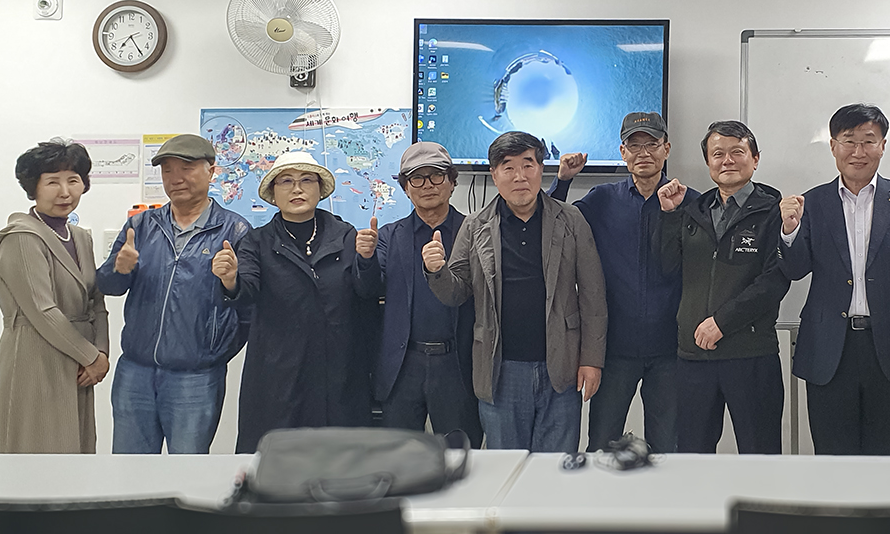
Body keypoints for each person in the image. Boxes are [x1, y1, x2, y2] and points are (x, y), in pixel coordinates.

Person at [424, 131, 606, 452]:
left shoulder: (571, 219)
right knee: (506, 467)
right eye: (508, 167)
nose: (519, 176)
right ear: (494, 175)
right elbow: (456, 292)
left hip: (560, 366)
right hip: (500, 370)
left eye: (528, 165)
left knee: (556, 468)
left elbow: (593, 295)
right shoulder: (475, 225)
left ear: (541, 169)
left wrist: (592, 360)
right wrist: (436, 271)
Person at [777, 104, 890, 456]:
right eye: (849, 141)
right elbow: (795, 269)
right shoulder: (813, 202)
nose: (858, 151)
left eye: (868, 141)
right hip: (829, 351)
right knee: (834, 461)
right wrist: (789, 232)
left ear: (883, 145)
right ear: (833, 146)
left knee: (888, 459)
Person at [547, 112, 695, 453]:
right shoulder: (601, 199)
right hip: (614, 349)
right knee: (602, 445)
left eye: (652, 144)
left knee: (667, 449)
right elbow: (553, 224)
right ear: (622, 152)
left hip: (670, 350)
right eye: (634, 145)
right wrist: (564, 180)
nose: (643, 153)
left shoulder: (689, 201)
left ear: (666, 149)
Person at [97, 134, 251, 454]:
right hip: (135, 372)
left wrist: (215, 350)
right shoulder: (141, 226)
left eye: (187, 167)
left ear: (211, 171)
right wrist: (119, 269)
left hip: (196, 378)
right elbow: (108, 286)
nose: (175, 178)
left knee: (187, 471)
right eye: (167, 170)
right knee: (128, 470)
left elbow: (248, 306)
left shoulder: (235, 231)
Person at [219, 151, 376, 453]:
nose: (297, 189)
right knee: (277, 461)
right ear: (273, 193)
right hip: (279, 372)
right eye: (286, 182)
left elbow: (366, 292)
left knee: (339, 461)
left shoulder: (346, 235)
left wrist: (367, 260)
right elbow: (246, 291)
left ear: (320, 189)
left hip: (338, 371)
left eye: (306, 180)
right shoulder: (256, 241)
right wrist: (229, 279)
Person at [657, 120, 789, 454]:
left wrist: (721, 323)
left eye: (737, 152)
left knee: (760, 455)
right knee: (693, 456)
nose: (727, 160)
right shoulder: (693, 212)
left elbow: (774, 281)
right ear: (708, 162)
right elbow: (668, 269)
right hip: (694, 358)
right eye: (718, 154)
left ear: (755, 159)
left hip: (750, 354)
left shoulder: (774, 212)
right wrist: (670, 215)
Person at [356, 142, 482, 447]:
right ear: (405, 188)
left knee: (460, 456)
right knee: (400, 458)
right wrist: (365, 259)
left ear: (452, 182)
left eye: (436, 176)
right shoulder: (389, 236)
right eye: (417, 178)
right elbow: (369, 290)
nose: (427, 185)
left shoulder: (474, 232)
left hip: (457, 365)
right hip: (403, 366)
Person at [0, 139, 109, 453]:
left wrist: (102, 353)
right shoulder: (21, 237)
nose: (65, 192)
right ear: (34, 187)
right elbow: (42, 311)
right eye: (53, 182)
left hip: (80, 362)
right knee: (39, 449)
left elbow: (96, 301)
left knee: (77, 450)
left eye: (73, 180)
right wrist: (91, 357)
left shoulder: (81, 237)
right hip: (36, 357)